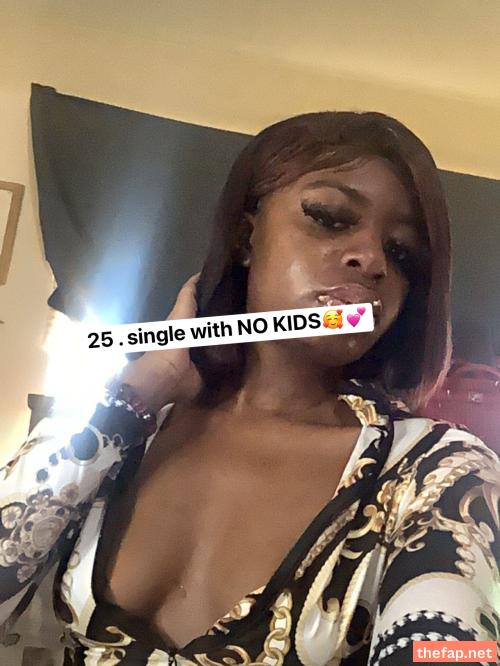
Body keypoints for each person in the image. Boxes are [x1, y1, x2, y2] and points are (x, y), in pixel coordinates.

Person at [0, 112, 498, 665]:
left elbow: (455, 649)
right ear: (246, 237)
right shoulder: (134, 430)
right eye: (329, 218)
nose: (373, 260)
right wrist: (133, 395)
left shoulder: (437, 473)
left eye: (402, 253)